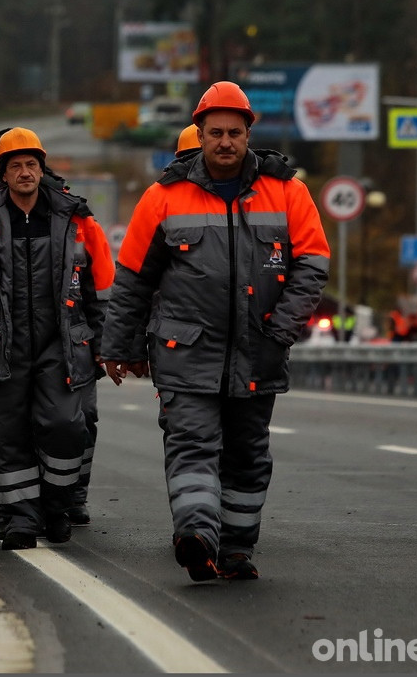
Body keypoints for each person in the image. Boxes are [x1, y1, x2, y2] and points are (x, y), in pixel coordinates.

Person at [98, 81, 329, 581]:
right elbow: (134, 279)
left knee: (247, 453)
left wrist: (281, 329)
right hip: (185, 351)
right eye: (215, 132)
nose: (225, 141)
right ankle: (197, 536)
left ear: (249, 134)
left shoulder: (289, 191)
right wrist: (118, 345)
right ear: (198, 134)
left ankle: (237, 548)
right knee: (191, 443)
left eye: (235, 132)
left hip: (259, 350)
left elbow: (313, 265)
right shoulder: (162, 197)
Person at [0, 128, 114, 550]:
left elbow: (102, 288)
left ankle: (56, 506)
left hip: (61, 344)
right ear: (1, 173)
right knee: (9, 435)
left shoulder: (75, 218)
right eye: (16, 166)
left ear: (43, 169)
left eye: (31, 165)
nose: (25, 173)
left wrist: (107, 343)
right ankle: (21, 520)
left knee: (65, 426)